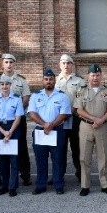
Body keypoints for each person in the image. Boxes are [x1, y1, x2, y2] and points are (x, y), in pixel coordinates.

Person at [27, 67, 72, 195]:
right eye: (46, 79)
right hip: (41, 131)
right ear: (43, 81)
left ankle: (59, 184)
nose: (48, 81)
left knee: (58, 159)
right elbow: (32, 113)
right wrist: (44, 124)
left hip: (57, 130)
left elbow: (64, 114)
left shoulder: (62, 96)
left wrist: (51, 125)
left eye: (51, 79)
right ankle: (41, 184)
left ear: (54, 80)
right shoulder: (35, 96)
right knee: (41, 159)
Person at [75, 63, 107, 196]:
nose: (95, 78)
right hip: (86, 126)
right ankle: (85, 185)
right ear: (88, 76)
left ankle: (105, 184)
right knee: (84, 158)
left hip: (102, 127)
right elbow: (79, 110)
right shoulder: (81, 90)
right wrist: (94, 119)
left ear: (101, 76)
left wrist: (101, 120)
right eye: (93, 75)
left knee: (103, 156)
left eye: (98, 75)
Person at [0, 53, 31, 186]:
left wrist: (17, 110)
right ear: (2, 64)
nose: (9, 65)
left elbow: (26, 97)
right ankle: (3, 177)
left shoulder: (21, 80)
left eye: (11, 62)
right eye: (6, 62)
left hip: (18, 119)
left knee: (21, 147)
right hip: (2, 121)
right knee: (2, 148)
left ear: (14, 64)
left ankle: (25, 175)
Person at [0, 75, 25, 197]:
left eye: (7, 84)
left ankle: (13, 186)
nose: (4, 86)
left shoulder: (17, 99)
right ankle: (4, 185)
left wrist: (10, 132)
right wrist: (3, 132)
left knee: (14, 159)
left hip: (13, 127)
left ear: (10, 85)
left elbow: (18, 117)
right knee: (3, 159)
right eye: (2, 84)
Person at [57, 54, 86, 179]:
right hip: (59, 120)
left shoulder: (79, 81)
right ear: (60, 64)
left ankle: (80, 174)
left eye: (68, 63)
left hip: (75, 119)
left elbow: (82, 99)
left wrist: (72, 111)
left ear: (72, 65)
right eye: (63, 63)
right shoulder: (54, 80)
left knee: (77, 147)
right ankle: (59, 174)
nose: (66, 65)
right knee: (59, 149)